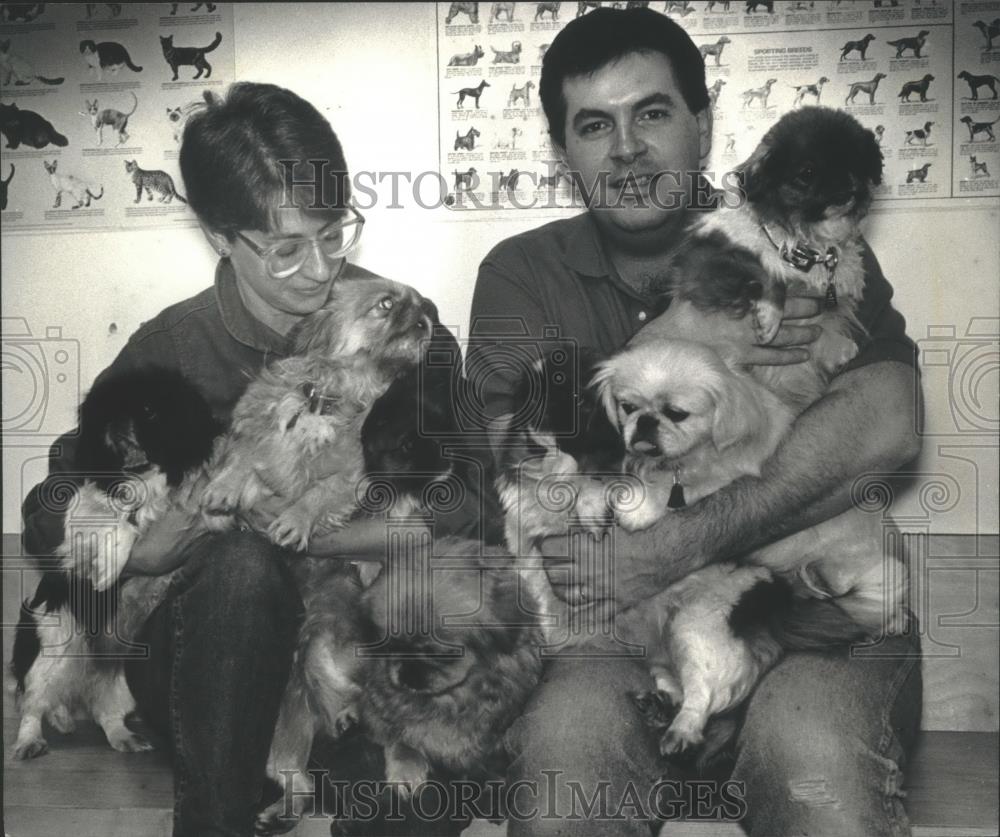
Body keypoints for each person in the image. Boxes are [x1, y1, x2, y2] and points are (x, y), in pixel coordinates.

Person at [467, 9, 923, 837]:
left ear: (702, 124)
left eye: (652, 113)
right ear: (563, 151)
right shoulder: (521, 275)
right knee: (568, 772)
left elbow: (888, 426)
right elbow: (527, 485)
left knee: (814, 763)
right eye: (594, 125)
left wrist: (669, 543)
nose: (627, 148)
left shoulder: (799, 243)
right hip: (615, 634)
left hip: (809, 605)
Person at [20, 82, 469, 837]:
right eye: (289, 249)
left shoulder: (404, 325)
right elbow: (51, 496)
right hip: (206, 652)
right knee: (238, 567)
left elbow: (467, 503)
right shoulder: (172, 350)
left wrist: (319, 531)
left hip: (343, 636)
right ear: (221, 235)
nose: (325, 268)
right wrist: (143, 551)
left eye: (336, 233)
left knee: (413, 802)